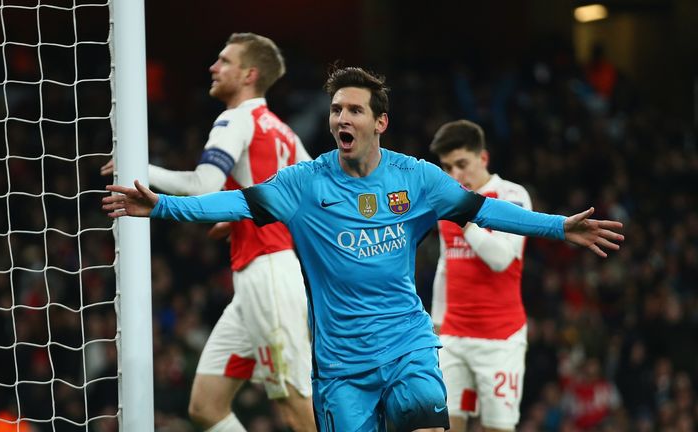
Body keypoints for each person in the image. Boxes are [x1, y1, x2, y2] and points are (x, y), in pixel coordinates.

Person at [102, 66, 624, 432]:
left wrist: (559, 227)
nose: (340, 119)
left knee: (425, 420)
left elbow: (483, 210)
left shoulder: (417, 178)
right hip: (341, 365)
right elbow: (233, 205)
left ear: (380, 122)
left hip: (406, 344)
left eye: (354, 109)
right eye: (335, 110)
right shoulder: (303, 183)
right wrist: (163, 208)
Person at [102, 33, 315, 431]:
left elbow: (204, 185)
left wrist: (140, 167)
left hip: (268, 277)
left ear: (249, 75)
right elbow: (309, 200)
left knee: (293, 403)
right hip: (258, 279)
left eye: (224, 61)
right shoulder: (284, 133)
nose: (213, 68)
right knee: (206, 406)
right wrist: (241, 216)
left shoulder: (237, 118)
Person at [428, 119, 532, 432]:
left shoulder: (512, 196)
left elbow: (501, 259)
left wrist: (466, 220)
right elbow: (446, 265)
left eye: (462, 165)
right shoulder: (446, 205)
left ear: (483, 158)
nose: (454, 176)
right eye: (447, 168)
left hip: (500, 339)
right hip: (454, 337)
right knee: (441, 425)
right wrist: (435, 328)